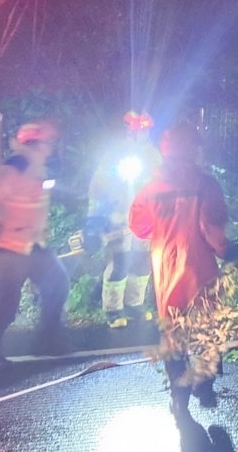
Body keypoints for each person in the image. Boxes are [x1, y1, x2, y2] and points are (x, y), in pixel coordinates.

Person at [128, 121, 229, 419]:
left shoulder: (151, 188)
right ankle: (205, 387)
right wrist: (227, 251)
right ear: (192, 149)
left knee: (173, 333)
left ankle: (179, 396)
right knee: (208, 328)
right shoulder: (205, 185)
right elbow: (212, 231)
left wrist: (164, 230)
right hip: (200, 270)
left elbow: (138, 226)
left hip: (166, 273)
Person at [0, 121, 72, 366]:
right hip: (8, 247)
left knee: (57, 284)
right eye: (48, 143)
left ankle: (47, 341)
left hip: (29, 245)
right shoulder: (15, 168)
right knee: (7, 301)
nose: (51, 147)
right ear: (35, 144)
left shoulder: (34, 168)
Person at [86, 111, 161, 328]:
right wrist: (95, 220)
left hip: (146, 221)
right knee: (119, 262)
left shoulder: (153, 155)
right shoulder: (115, 154)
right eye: (140, 129)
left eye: (147, 129)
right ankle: (112, 309)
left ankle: (134, 304)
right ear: (130, 130)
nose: (144, 133)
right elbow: (98, 186)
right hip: (119, 219)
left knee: (142, 262)